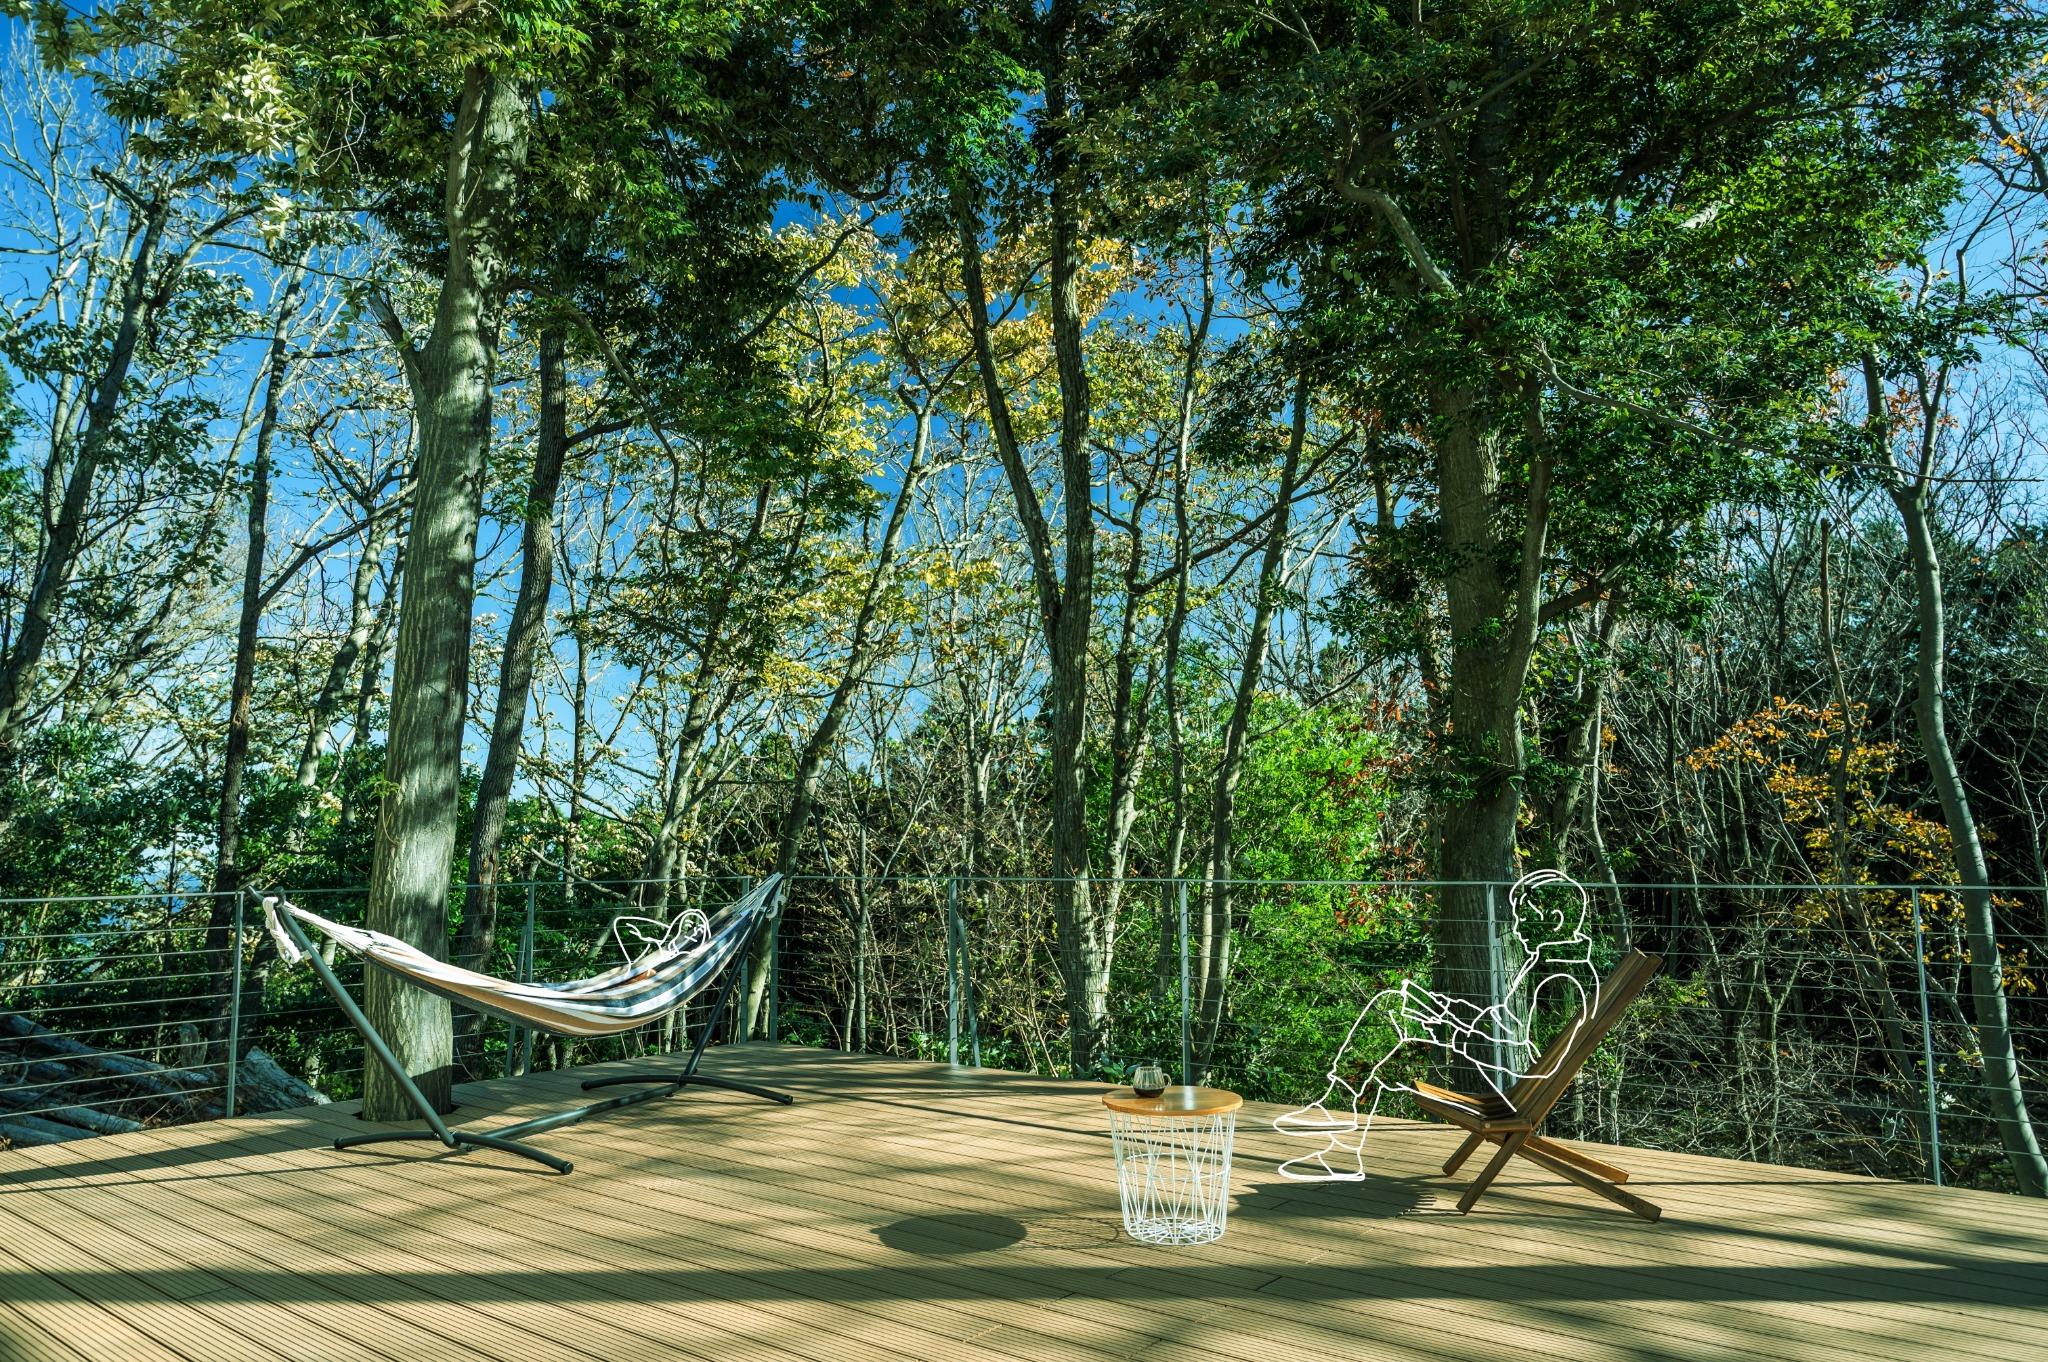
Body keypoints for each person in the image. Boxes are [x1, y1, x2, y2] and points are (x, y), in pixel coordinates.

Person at [1273, 869, 1600, 1181]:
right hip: (1512, 1078)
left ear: (1556, 920)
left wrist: (1454, 1030)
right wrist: (1445, 1010)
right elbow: (1503, 1021)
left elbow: (1533, 1063)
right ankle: (1339, 1132)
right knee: (1394, 1007)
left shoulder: (1559, 974)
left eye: (1525, 915)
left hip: (1521, 1092)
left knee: (1391, 1032)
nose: (1516, 923)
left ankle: (1339, 1130)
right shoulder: (1553, 962)